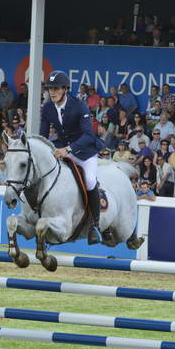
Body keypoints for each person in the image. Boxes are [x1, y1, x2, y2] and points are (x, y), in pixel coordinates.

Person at [40, 70, 105, 245]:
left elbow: (88, 135)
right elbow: (43, 136)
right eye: (49, 88)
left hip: (84, 151)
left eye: (56, 88)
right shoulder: (47, 108)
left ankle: (94, 226)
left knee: (90, 181)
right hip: (61, 149)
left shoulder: (79, 106)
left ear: (65, 89)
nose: (51, 92)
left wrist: (67, 149)